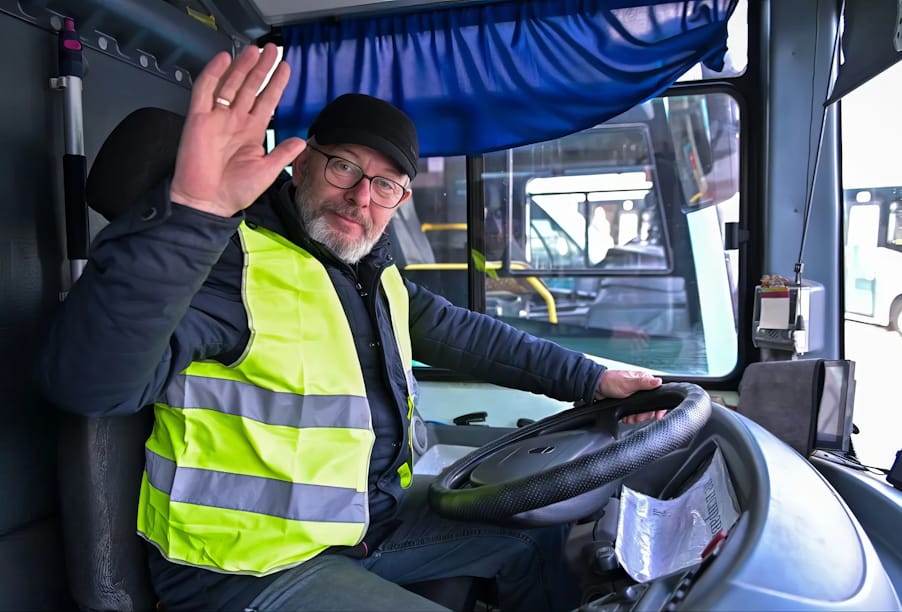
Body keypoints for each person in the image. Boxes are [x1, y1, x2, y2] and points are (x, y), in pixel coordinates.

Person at [37, 43, 664, 612]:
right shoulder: (227, 263)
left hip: (364, 523)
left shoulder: (365, 270)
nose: (362, 197)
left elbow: (466, 334)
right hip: (247, 565)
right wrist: (195, 212)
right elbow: (89, 385)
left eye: (385, 184)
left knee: (534, 533)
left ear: (400, 199)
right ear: (302, 162)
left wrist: (593, 379)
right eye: (344, 168)